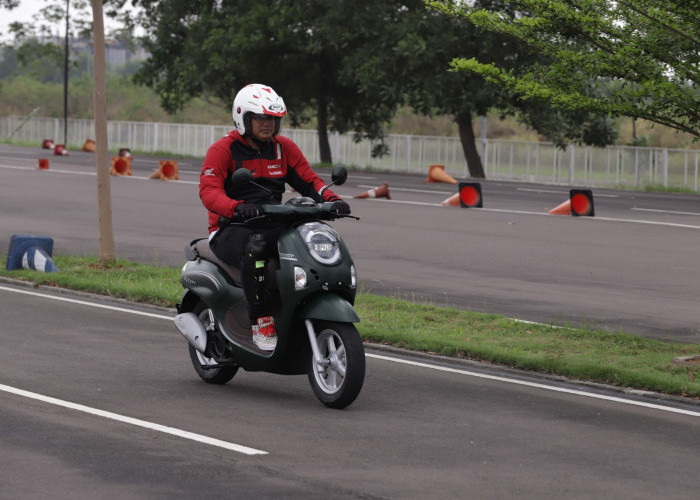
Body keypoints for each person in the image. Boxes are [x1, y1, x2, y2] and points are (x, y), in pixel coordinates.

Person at [199, 83, 350, 351]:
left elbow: (309, 181)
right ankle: (261, 321)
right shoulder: (223, 150)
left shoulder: (283, 148)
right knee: (255, 248)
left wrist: (332, 200)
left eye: (272, 118)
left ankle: (300, 308)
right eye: (260, 118)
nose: (267, 124)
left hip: (272, 221)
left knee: (312, 238)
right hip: (231, 227)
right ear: (243, 118)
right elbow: (209, 192)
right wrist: (236, 207)